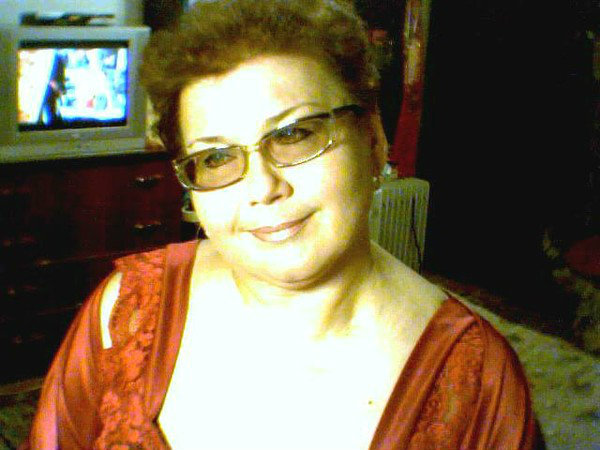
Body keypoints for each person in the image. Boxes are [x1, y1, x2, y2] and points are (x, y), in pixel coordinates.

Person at [22, 1, 544, 448]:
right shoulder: (126, 312)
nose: (262, 188)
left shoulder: (478, 381)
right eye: (217, 157)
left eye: (294, 135)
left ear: (373, 140)